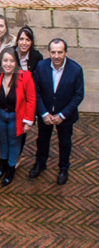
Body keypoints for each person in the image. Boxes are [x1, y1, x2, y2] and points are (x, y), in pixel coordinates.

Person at [29, 39, 85, 185]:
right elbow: (36, 91)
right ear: (49, 52)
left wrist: (62, 115)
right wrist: (44, 113)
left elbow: (78, 95)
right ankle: (40, 164)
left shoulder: (76, 70)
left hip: (65, 116)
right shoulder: (41, 66)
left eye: (60, 52)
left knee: (65, 143)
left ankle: (63, 168)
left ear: (66, 52)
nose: (56, 56)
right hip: (45, 114)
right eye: (53, 52)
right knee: (42, 140)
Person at [0, 47, 36, 186]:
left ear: (16, 62)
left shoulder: (25, 76)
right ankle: (2, 164)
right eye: (5, 60)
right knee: (3, 141)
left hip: (16, 117)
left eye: (11, 61)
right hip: (0, 115)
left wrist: (28, 122)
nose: (8, 64)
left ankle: (11, 169)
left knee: (14, 143)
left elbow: (31, 100)